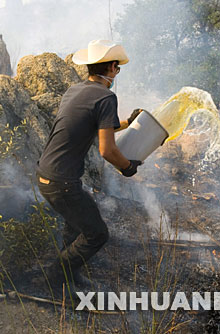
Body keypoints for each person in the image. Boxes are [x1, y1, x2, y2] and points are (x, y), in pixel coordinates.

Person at [35, 40, 142, 288]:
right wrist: (127, 167)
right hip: (62, 181)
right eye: (118, 68)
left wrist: (127, 122)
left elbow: (94, 124)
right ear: (112, 67)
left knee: (75, 224)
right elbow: (107, 149)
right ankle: (56, 276)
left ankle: (67, 276)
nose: (117, 73)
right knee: (97, 234)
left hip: (45, 173)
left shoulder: (75, 90)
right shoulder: (106, 97)